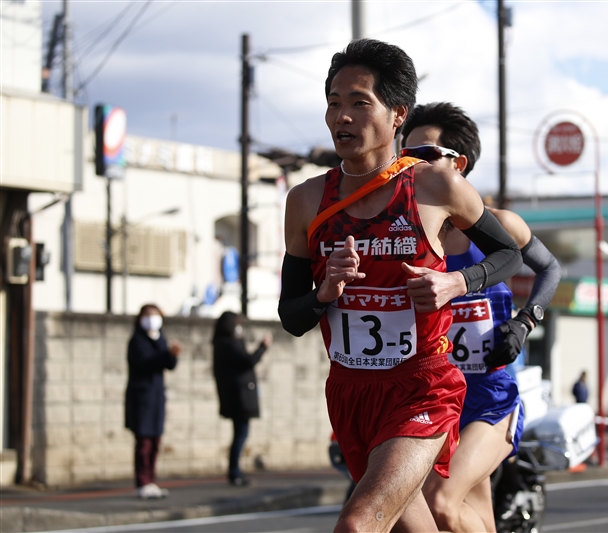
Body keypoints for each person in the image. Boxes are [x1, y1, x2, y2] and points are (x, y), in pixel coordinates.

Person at [278, 39, 522, 533]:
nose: (342, 117)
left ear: (396, 115)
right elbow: (291, 316)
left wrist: (456, 281)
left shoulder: (435, 185)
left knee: (358, 523)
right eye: (334, 102)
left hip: (423, 389)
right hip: (350, 392)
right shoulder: (306, 201)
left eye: (359, 102)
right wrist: (325, 292)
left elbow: (508, 253)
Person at [400, 102, 561, 532]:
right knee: (472, 518)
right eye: (405, 154)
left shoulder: (501, 226)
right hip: (435, 400)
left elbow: (550, 269)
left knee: (440, 504)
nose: (411, 165)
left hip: (490, 401)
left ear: (459, 163)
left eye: (425, 155)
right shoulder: (406, 233)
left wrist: (525, 322)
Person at [124, 304, 181, 499]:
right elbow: (148, 362)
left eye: (155, 315)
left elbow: (168, 364)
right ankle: (142, 481)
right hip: (141, 397)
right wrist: (166, 354)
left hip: (156, 398)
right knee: (144, 443)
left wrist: (172, 355)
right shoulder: (137, 341)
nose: (152, 319)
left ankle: (151, 480)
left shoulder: (160, 338)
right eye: (148, 315)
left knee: (155, 441)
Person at [212, 311, 272, 486]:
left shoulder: (221, 343)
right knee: (240, 434)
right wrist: (263, 347)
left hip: (235, 396)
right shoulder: (228, 344)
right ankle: (235, 472)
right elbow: (248, 360)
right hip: (239, 397)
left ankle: (236, 471)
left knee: (240, 434)